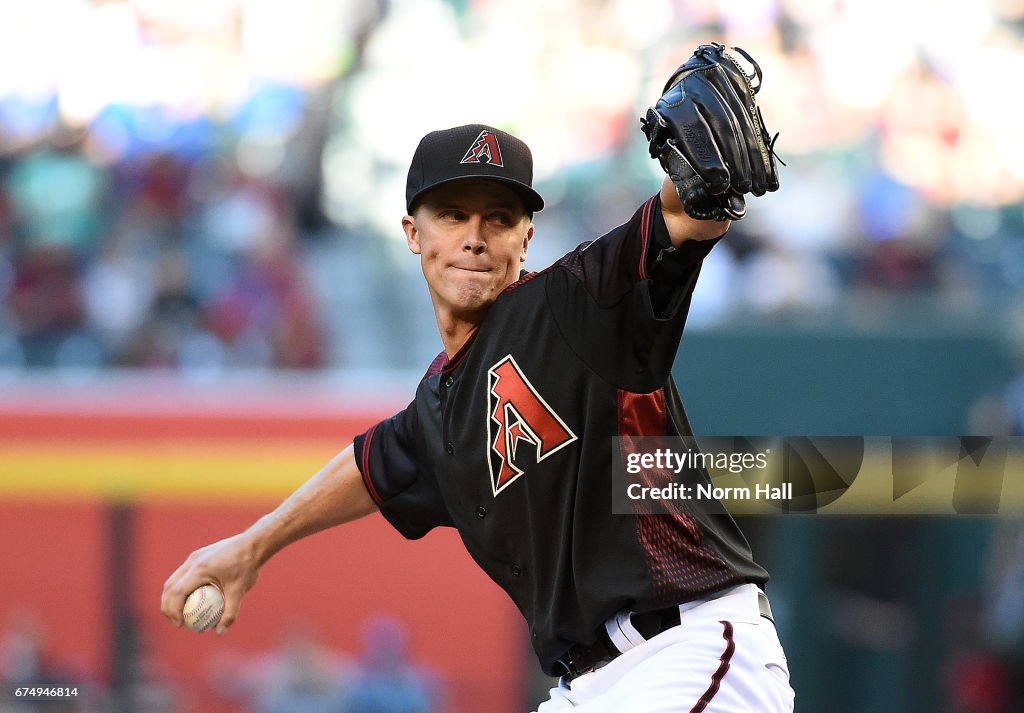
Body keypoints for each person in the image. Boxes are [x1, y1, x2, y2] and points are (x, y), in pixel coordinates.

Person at [163, 54, 794, 713]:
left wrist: (703, 192)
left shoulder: (577, 301)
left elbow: (681, 220)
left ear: (526, 236)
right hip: (587, 687)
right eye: (451, 214)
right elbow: (372, 464)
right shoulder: (438, 405)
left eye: (497, 217)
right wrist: (253, 545)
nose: (474, 237)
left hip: (687, 652)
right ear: (412, 232)